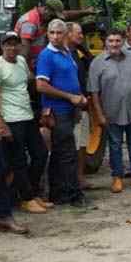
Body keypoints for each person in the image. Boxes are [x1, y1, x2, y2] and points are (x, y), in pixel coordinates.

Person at [88, 29, 131, 193]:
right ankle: (117, 178)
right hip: (111, 112)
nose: (114, 44)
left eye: (117, 40)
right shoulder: (97, 63)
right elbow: (94, 92)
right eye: (111, 41)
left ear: (123, 41)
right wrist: (99, 115)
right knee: (115, 146)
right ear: (106, 42)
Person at [35, 19, 87, 206]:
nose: (55, 36)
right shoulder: (46, 55)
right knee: (68, 153)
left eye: (59, 33)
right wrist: (70, 97)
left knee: (59, 154)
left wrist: (79, 97)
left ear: (65, 34)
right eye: (52, 33)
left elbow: (71, 79)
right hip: (58, 111)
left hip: (71, 109)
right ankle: (74, 195)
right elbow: (41, 86)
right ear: (47, 34)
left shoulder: (67, 52)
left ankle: (57, 194)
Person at [0, 32, 49, 213]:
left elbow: (30, 81)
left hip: (27, 116)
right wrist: (1, 123)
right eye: (8, 44)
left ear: (20, 46)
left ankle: (33, 193)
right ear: (2, 46)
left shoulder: (21, 61)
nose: (12, 48)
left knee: (41, 153)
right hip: (11, 119)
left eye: (15, 44)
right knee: (18, 160)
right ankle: (26, 199)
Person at [15, 0, 96, 67]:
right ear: (46, 9)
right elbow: (24, 48)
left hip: (40, 59)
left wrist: (86, 12)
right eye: (53, 15)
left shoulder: (46, 16)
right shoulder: (30, 22)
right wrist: (26, 70)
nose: (54, 18)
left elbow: (67, 15)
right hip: (30, 63)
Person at [66, 22, 94, 190]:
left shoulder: (77, 53)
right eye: (79, 33)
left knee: (83, 143)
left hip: (83, 105)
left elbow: (92, 63)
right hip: (72, 107)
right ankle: (71, 181)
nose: (82, 36)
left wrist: (83, 48)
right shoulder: (63, 54)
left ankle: (80, 177)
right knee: (74, 145)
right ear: (68, 34)